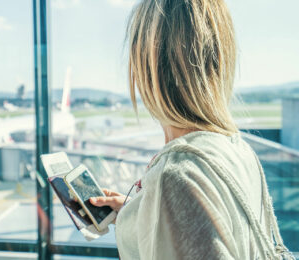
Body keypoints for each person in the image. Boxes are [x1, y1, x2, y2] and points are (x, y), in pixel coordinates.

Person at [89, 0, 294, 259]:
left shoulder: (178, 174)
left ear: (147, 68)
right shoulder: (237, 149)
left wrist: (169, 201)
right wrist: (142, 214)